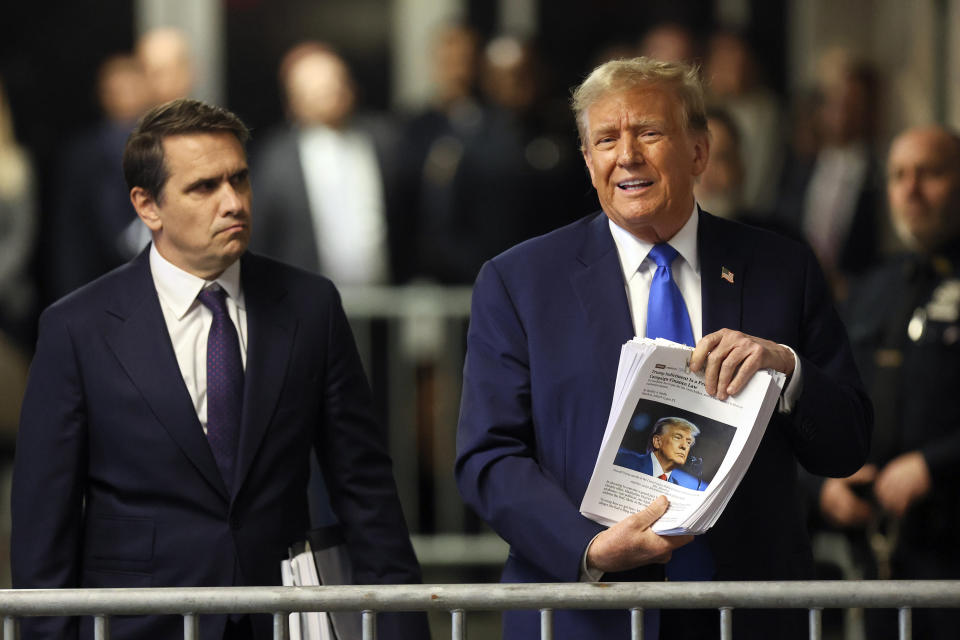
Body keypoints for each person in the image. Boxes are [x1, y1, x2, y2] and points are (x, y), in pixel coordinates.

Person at [455, 57, 871, 640]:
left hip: (745, 614)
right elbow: (488, 456)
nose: (626, 155)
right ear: (587, 160)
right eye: (606, 139)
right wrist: (590, 547)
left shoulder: (782, 269)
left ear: (699, 151)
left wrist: (790, 372)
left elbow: (847, 443)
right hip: (583, 613)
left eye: (648, 132)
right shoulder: (518, 281)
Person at [11, 99, 429, 640]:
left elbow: (365, 487)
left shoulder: (309, 307)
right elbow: (45, 520)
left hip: (279, 618)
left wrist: (402, 630)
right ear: (148, 206)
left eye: (239, 179)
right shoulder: (77, 328)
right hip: (139, 624)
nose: (232, 202)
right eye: (204, 187)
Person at [814, 125, 960, 639]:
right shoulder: (873, 288)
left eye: (931, 173)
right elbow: (825, 396)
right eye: (899, 175)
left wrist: (932, 466)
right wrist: (826, 485)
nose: (911, 189)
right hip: (880, 562)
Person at [251, 41, 398, 285]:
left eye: (336, 83)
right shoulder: (274, 158)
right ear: (293, 100)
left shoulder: (383, 141)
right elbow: (263, 236)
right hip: (304, 304)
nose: (332, 94)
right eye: (316, 89)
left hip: (380, 305)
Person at [614, 417, 705, 490]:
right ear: (657, 441)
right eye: (677, 437)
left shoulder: (676, 487)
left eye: (689, 442)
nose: (684, 446)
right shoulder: (624, 461)